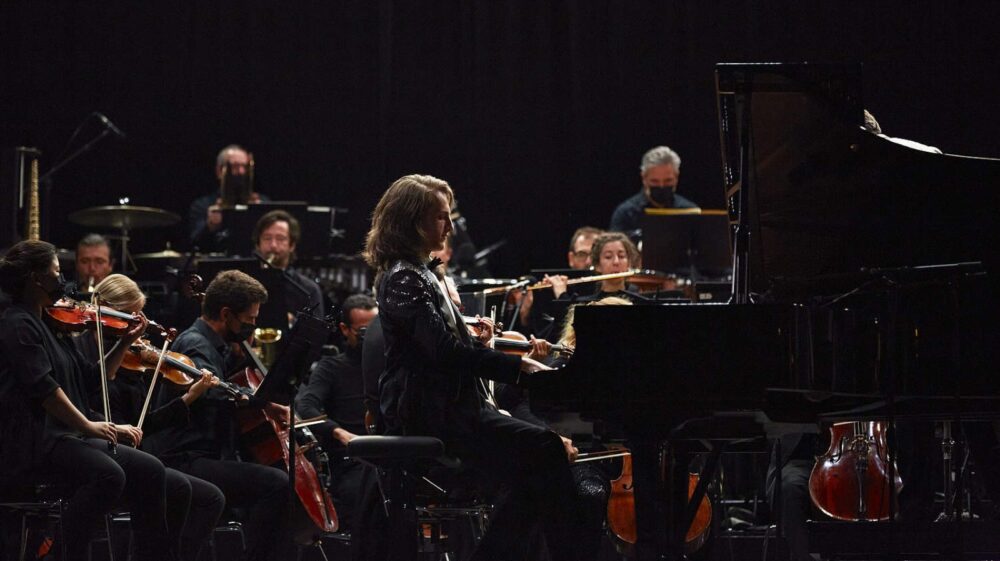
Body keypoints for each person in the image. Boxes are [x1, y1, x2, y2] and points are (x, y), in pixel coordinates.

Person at [364, 173, 583, 561]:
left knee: (535, 469)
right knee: (546, 450)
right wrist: (519, 368)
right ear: (411, 220)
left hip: (452, 407)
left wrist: (480, 341)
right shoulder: (403, 277)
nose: (450, 227)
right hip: (431, 414)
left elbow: (445, 345)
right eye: (441, 217)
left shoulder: (422, 272)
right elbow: (443, 352)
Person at [0, 240, 173, 561]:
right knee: (109, 475)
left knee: (151, 470)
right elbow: (44, 390)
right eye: (56, 272)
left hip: (66, 437)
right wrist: (89, 426)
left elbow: (92, 379)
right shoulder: (16, 324)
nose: (62, 278)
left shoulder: (50, 325)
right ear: (36, 279)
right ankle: (59, 555)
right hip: (36, 442)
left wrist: (125, 341)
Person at [145, 269, 291, 561]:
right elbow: (212, 393)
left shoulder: (213, 344)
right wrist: (260, 402)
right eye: (249, 319)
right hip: (184, 458)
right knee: (277, 484)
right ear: (226, 314)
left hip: (205, 454)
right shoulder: (196, 344)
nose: (252, 326)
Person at [80, 274, 226, 561]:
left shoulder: (133, 361)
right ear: (106, 308)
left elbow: (144, 424)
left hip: (131, 452)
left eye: (140, 315)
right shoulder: (86, 352)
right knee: (176, 486)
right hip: (100, 451)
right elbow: (87, 405)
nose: (138, 326)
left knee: (210, 497)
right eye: (130, 315)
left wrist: (188, 397)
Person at [296, 293, 377, 529]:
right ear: (344, 329)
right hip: (352, 460)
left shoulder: (389, 364)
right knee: (368, 491)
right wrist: (339, 432)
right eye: (363, 331)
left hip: (387, 453)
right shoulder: (331, 367)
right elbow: (306, 406)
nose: (371, 338)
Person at [188, 145, 268, 253]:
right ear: (219, 171)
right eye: (235, 166)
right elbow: (194, 244)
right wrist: (210, 226)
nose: (241, 172)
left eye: (244, 166)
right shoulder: (202, 205)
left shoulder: (262, 202)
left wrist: (259, 215)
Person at [251, 209, 325, 324]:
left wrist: (292, 321)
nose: (273, 245)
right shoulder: (246, 284)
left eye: (280, 239)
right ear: (258, 244)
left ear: (292, 245)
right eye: (267, 238)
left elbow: (316, 331)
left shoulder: (308, 290)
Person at [609, 145, 699, 235]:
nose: (661, 186)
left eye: (668, 181)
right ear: (644, 178)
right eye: (654, 181)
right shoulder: (626, 214)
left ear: (677, 177)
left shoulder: (690, 211)